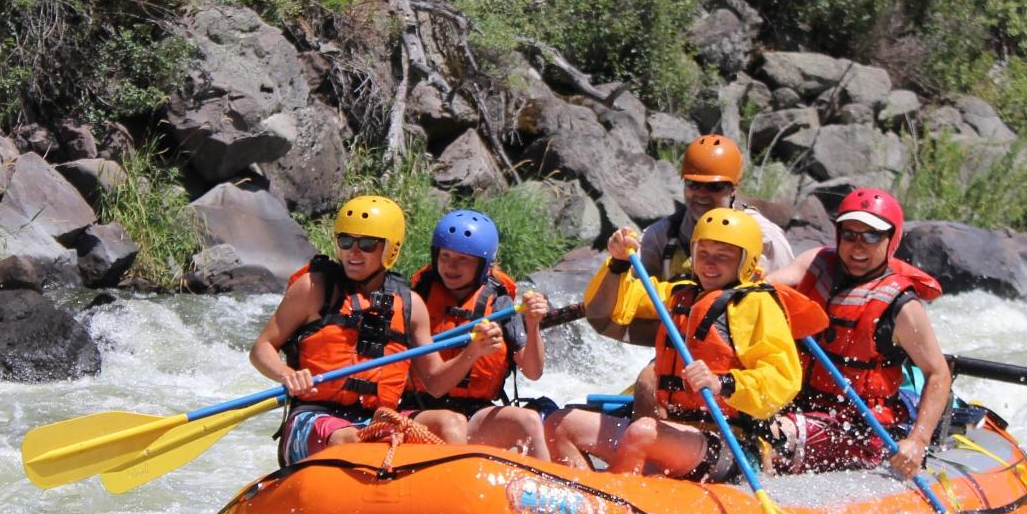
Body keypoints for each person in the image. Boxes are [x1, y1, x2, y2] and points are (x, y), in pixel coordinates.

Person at [546, 210, 822, 482]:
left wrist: (723, 383)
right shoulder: (681, 294)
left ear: (746, 261)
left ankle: (614, 506)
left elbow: (783, 379)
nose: (709, 264)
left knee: (642, 432)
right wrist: (618, 263)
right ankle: (584, 501)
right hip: (674, 432)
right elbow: (617, 305)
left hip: (731, 443)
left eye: (723, 256)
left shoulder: (756, 304)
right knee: (561, 424)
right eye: (703, 254)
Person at [250, 195, 503, 465]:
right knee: (347, 437)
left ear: (389, 249)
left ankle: (451, 498)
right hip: (314, 416)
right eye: (346, 241)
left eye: (367, 244)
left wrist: (473, 351)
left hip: (378, 418)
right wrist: (287, 374)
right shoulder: (313, 288)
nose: (353, 252)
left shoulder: (410, 305)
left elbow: (436, 384)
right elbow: (261, 349)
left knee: (450, 422)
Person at [762, 187, 951, 480]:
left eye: (872, 236)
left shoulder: (902, 307)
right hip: (799, 404)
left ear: (892, 240)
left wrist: (918, 441)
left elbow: (938, 373)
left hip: (859, 428)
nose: (858, 246)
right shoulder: (817, 263)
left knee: (768, 437)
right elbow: (768, 286)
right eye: (849, 235)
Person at [588, 133, 796, 345]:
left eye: (714, 187)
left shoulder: (766, 238)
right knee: (649, 379)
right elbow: (628, 294)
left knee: (650, 379)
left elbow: (786, 310)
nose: (701, 194)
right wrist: (619, 261)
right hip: (686, 339)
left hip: (746, 345)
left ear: (734, 187)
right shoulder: (661, 234)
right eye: (693, 184)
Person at [402, 209, 555, 459]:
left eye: (463, 259)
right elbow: (436, 387)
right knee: (452, 424)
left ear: (483, 265)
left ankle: (547, 492)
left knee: (528, 421)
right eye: (446, 255)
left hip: (475, 413)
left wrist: (534, 323)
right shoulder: (417, 300)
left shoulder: (500, 304)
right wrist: (474, 351)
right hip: (419, 409)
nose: (451, 266)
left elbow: (533, 372)